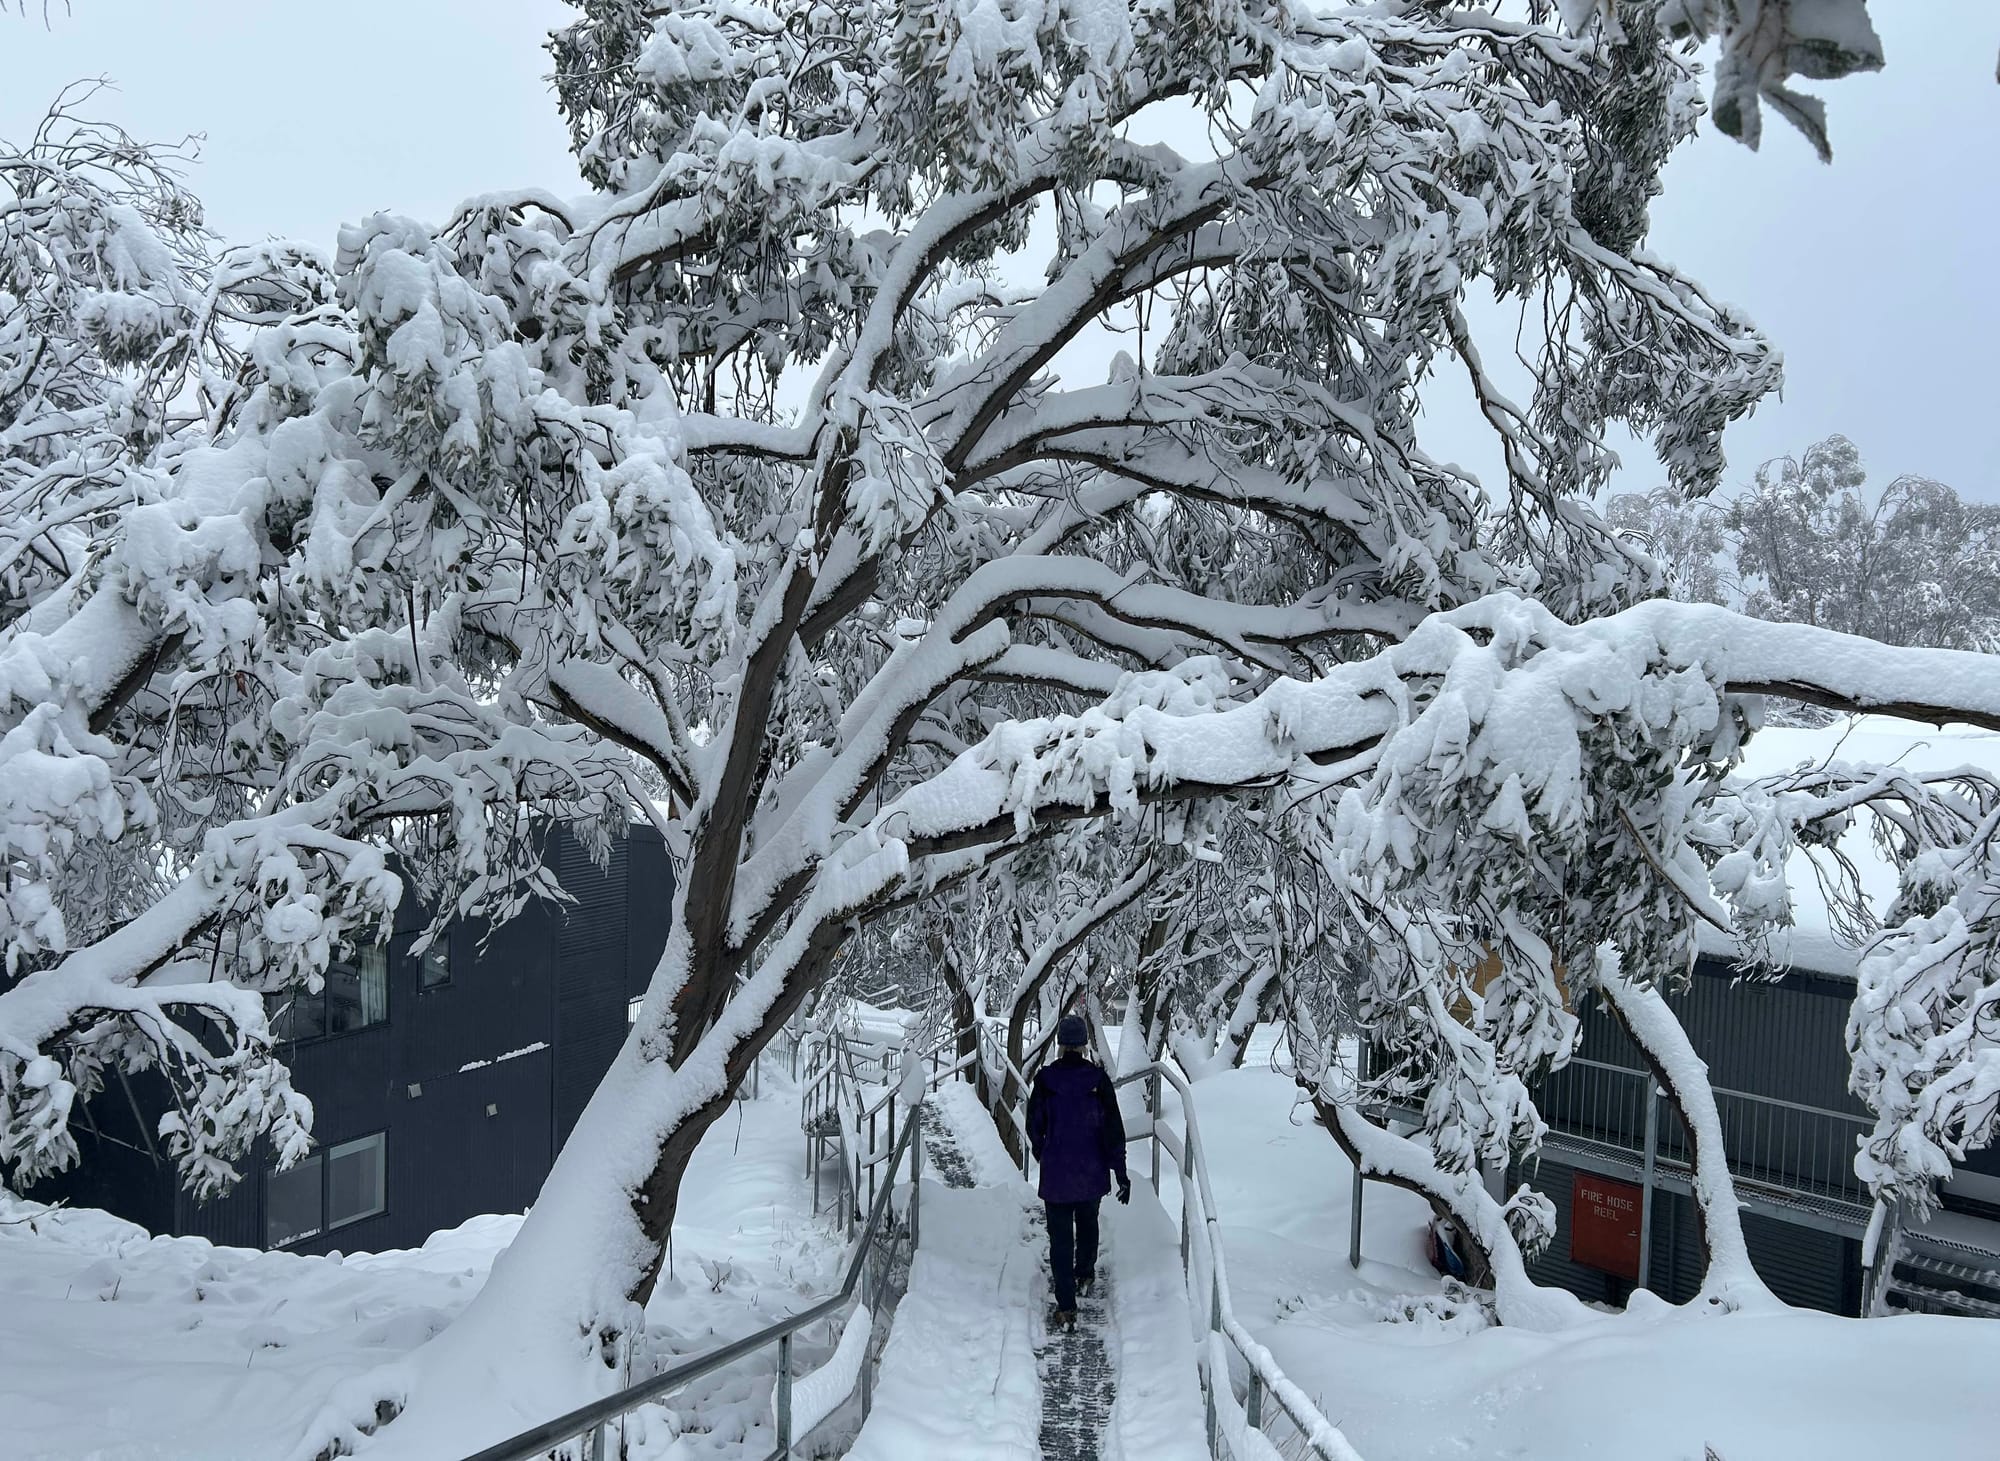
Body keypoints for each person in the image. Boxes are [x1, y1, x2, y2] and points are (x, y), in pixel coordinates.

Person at [1026, 1014, 1131, 1331]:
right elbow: (1113, 1130)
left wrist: (1042, 1149)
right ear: (1085, 1045)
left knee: (1059, 1240)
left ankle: (1067, 1306)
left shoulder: (1046, 1080)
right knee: (1087, 1225)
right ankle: (1084, 1273)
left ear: (1060, 1045)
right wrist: (1120, 1173)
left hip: (1057, 1173)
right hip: (1091, 1171)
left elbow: (1034, 1125)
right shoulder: (1098, 1081)